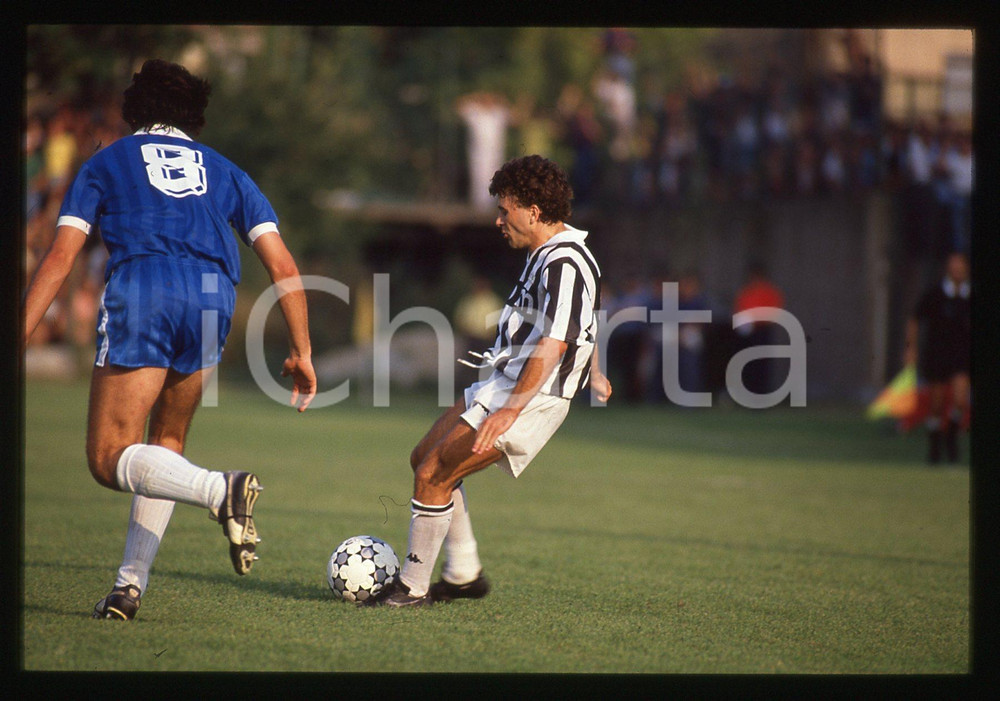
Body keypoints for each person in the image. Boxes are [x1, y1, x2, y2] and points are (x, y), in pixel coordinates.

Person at [21, 59, 317, 621]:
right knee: (167, 442)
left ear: (134, 110)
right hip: (213, 297)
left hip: (145, 286)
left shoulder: (106, 162)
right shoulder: (229, 172)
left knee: (108, 458)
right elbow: (282, 263)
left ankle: (218, 490)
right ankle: (129, 587)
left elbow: (60, 256)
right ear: (195, 118)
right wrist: (301, 350)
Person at [369, 155, 611, 607]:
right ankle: (463, 574)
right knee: (422, 458)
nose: (499, 220)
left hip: (529, 395)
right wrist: (595, 369)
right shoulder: (548, 255)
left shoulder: (564, 260)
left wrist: (511, 409)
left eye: (505, 210)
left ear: (533, 211)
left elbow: (556, 342)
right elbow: (579, 320)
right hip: (503, 383)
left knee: (434, 473)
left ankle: (411, 587)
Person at [905, 252, 971, 464]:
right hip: (937, 355)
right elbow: (915, 319)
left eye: (961, 266)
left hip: (962, 356)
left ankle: (951, 436)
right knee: (936, 404)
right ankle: (934, 447)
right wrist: (911, 348)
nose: (958, 270)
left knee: (960, 400)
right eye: (954, 266)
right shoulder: (935, 295)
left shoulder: (971, 296)